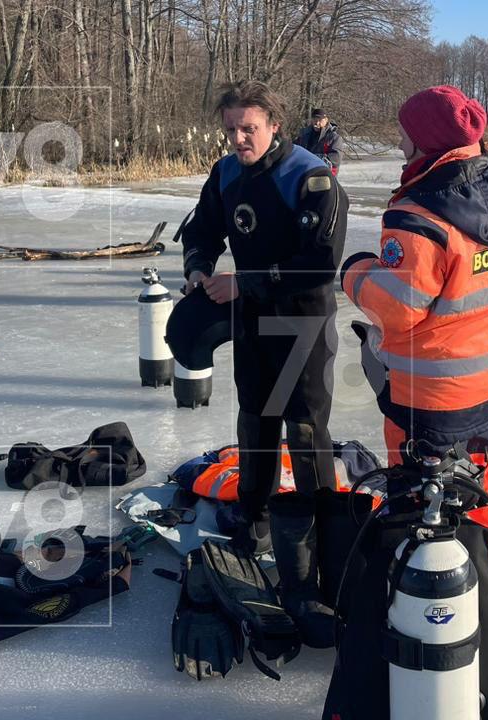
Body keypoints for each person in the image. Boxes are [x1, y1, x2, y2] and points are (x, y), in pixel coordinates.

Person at [179, 80, 348, 647]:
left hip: (301, 320)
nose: (238, 138)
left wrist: (246, 281)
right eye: (229, 129)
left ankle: (322, 543)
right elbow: (200, 231)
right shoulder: (225, 173)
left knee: (303, 428)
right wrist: (201, 267)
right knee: (255, 418)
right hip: (252, 318)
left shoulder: (311, 176)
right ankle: (251, 519)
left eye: (248, 128)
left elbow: (321, 264)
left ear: (274, 123)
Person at [340, 84, 488, 540]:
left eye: (404, 133)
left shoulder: (418, 214)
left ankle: (424, 602)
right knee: (478, 489)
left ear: (423, 140)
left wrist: (354, 271)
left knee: (420, 506)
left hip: (427, 396)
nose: (399, 142)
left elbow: (398, 309)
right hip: (487, 384)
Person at [293, 108, 343, 174]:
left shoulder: (334, 138)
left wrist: (313, 161)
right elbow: (295, 151)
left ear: (326, 120)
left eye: (320, 120)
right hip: (305, 174)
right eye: (314, 120)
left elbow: (335, 159)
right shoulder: (304, 136)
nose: (317, 123)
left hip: (325, 176)